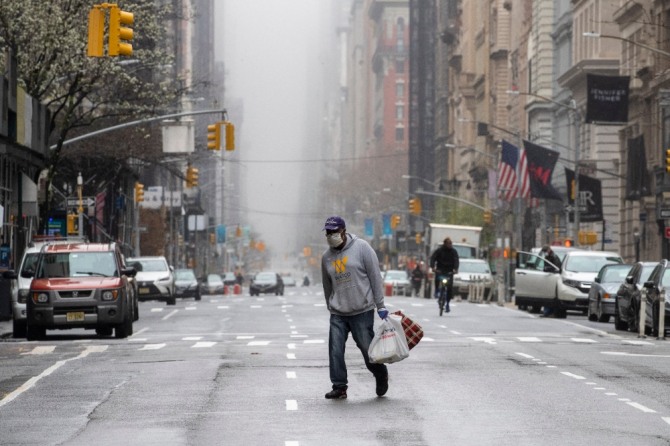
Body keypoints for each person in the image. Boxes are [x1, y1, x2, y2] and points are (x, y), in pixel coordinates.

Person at [321, 215, 389, 400]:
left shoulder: (362, 248)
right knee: (335, 350)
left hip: (362, 310)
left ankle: (380, 373)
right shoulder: (326, 257)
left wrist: (380, 305)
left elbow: (375, 276)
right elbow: (327, 285)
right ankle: (339, 386)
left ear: (343, 231)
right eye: (328, 232)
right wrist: (331, 305)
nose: (330, 235)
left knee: (368, 350)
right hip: (338, 313)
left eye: (334, 231)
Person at [429, 237, 459, 312]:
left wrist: (455, 269)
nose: (450, 245)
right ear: (445, 244)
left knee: (449, 288)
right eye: (448, 243)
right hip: (440, 270)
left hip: (449, 271)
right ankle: (436, 291)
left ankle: (448, 303)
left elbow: (456, 260)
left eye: (451, 243)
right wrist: (432, 267)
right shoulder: (439, 251)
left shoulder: (453, 251)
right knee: (437, 279)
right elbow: (433, 258)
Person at [540, 245, 561, 317]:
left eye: (545, 251)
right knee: (547, 296)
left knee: (551, 296)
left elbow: (557, 268)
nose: (545, 253)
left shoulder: (554, 257)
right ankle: (547, 312)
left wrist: (549, 269)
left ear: (549, 250)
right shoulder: (547, 257)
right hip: (548, 277)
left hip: (553, 278)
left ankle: (550, 312)